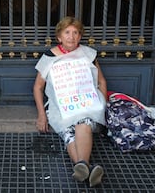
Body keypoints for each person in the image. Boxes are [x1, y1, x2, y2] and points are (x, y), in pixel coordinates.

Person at [33, 16, 108, 187]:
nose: (71, 36)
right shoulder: (49, 56)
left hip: (87, 106)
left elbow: (101, 81)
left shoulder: (88, 54)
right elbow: (37, 87)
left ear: (80, 37)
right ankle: (86, 168)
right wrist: (41, 115)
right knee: (68, 132)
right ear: (59, 36)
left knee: (83, 123)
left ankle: (81, 166)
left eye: (75, 33)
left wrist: (102, 105)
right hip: (61, 108)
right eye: (67, 32)